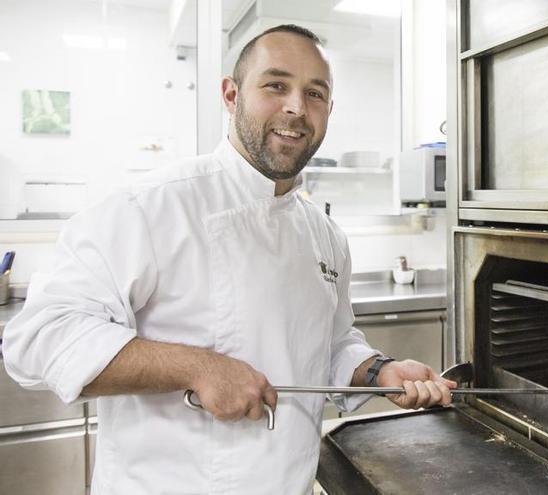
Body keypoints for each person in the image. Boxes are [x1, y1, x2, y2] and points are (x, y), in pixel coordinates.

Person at [2, 24, 455, 494]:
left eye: (314, 93)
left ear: (329, 110)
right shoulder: (150, 207)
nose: (296, 108)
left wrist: (379, 371)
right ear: (231, 94)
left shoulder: (325, 235)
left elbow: (333, 344)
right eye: (276, 85)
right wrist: (196, 367)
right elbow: (38, 338)